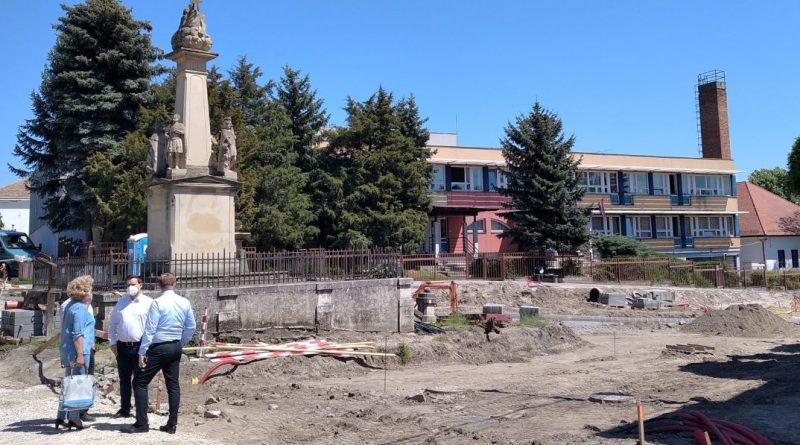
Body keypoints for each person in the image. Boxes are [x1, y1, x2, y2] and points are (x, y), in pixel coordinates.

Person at [124, 273, 195, 434]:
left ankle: (142, 423)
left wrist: (142, 351)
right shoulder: (184, 302)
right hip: (175, 345)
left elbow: (150, 329)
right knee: (173, 385)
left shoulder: (157, 303)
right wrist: (181, 343)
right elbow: (191, 326)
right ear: (175, 284)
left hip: (159, 347)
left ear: (159, 285)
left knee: (140, 382)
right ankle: (172, 424)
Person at [108, 275, 153, 419]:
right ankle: (125, 408)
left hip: (140, 347)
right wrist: (112, 342)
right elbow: (113, 323)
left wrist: (147, 348)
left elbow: (152, 327)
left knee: (140, 381)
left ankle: (141, 411)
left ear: (141, 285)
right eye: (128, 285)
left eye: (133, 284)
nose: (130, 287)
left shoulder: (148, 303)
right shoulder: (121, 302)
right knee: (124, 379)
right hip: (122, 347)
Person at [55, 275, 96, 431]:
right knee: (76, 386)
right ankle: (74, 418)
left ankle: (61, 416)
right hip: (78, 351)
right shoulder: (79, 308)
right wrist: (80, 355)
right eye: (90, 289)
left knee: (69, 384)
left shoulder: (71, 305)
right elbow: (77, 333)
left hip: (68, 350)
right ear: (85, 291)